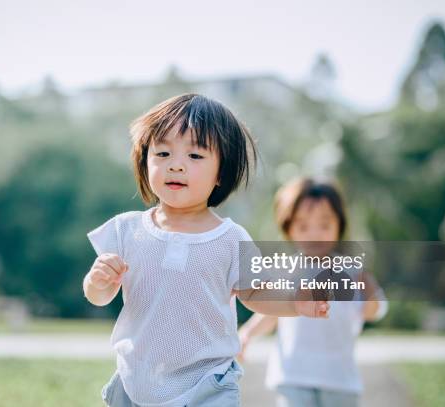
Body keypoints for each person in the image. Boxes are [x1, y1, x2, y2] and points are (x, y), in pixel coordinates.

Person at [83, 94, 329, 407]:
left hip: (207, 384)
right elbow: (98, 295)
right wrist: (98, 282)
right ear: (145, 161)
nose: (175, 164)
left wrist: (297, 303)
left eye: (195, 156)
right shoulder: (125, 230)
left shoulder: (229, 238)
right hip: (137, 381)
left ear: (221, 174)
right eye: (162, 152)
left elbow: (256, 293)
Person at [238, 178, 388, 407]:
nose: (314, 234)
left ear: (339, 225)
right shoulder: (286, 271)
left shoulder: (352, 272)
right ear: (288, 227)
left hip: (339, 380)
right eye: (303, 226)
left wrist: (370, 293)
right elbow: (271, 314)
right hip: (293, 377)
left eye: (324, 225)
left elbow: (373, 311)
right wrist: (247, 334)